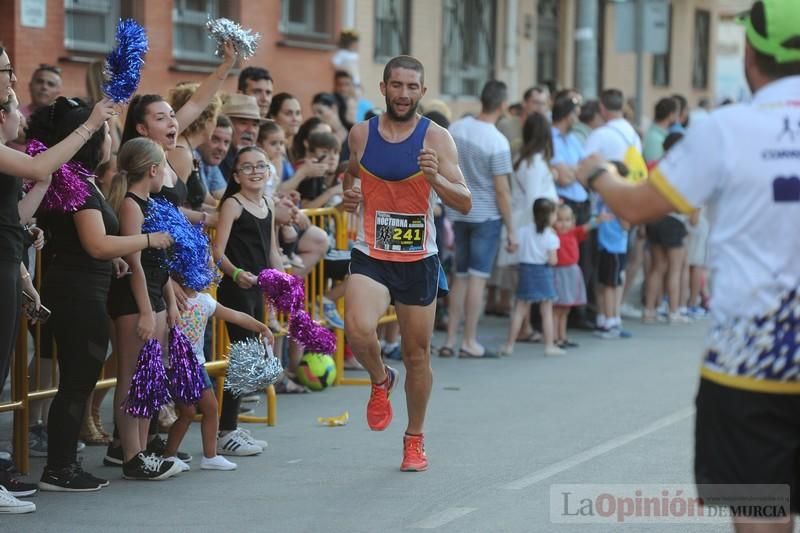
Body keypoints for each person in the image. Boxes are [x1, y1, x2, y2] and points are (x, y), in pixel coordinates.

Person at [576, 3, 800, 530]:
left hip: (752, 362)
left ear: (750, 53)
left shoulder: (726, 128)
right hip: (752, 361)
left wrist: (598, 173)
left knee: (761, 516)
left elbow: (633, 208)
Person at [28, 98, 172, 491]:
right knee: (77, 380)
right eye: (105, 132)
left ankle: (63, 465)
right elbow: (94, 243)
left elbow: (94, 244)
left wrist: (115, 260)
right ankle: (59, 468)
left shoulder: (84, 180)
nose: (110, 138)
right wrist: (145, 240)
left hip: (88, 284)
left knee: (81, 377)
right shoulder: (75, 184)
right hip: (75, 290)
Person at [0, 47, 115, 513]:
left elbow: (13, 213)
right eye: (6, 74)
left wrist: (25, 266)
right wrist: (89, 122)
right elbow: (38, 165)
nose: (13, 85)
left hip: (11, 264)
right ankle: (56, 468)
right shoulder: (27, 158)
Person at [342, 55, 471, 471]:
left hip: (417, 259)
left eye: (412, 87)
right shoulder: (361, 134)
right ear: (383, 88)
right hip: (371, 252)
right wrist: (348, 197)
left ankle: (414, 439)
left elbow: (465, 202)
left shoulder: (437, 139)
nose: (403, 94)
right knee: (358, 329)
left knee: (417, 355)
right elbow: (350, 175)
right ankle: (381, 379)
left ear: (422, 91)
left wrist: (436, 180)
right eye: (396, 85)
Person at [104, 137, 183, 481]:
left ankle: (143, 447)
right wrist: (147, 311)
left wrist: (168, 301)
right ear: (152, 170)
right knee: (131, 376)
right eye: (163, 166)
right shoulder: (131, 205)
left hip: (153, 294)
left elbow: (159, 261)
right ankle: (131, 452)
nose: (165, 172)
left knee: (149, 375)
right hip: (135, 299)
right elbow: (135, 262)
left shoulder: (152, 203)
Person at [212, 146, 286, 454]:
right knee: (242, 359)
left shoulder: (268, 202)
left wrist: (283, 284)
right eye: (247, 167)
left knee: (253, 357)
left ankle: (232, 426)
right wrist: (236, 272)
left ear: (269, 171)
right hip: (237, 288)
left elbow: (272, 252)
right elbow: (217, 252)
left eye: (261, 166)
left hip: (258, 288)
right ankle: (225, 432)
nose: (255, 171)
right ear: (236, 175)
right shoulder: (233, 204)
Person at [440, 80, 514, 360]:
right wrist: (512, 228)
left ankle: (449, 338)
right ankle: (469, 340)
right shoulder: (497, 141)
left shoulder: (457, 128)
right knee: (477, 279)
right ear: (503, 105)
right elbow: (502, 190)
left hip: (459, 210)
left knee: (459, 275)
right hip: (486, 216)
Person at [163, 285, 274, 471]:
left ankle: (210, 456)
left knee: (211, 408)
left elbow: (236, 316)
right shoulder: (171, 299)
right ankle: (170, 455)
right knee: (188, 412)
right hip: (175, 366)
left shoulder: (205, 301)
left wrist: (262, 327)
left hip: (196, 365)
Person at [498, 198, 564, 357]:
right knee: (546, 311)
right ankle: (549, 346)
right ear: (550, 215)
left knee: (519, 310)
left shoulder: (523, 231)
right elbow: (553, 260)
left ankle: (509, 345)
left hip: (526, 272)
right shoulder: (551, 237)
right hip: (543, 273)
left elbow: (512, 249)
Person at [642, 132, 689, 324]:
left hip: (653, 217)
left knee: (657, 267)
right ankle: (673, 312)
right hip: (674, 218)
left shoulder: (654, 166)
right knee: (675, 268)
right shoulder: (682, 168)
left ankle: (649, 311)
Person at [593, 161, 631, 339]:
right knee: (610, 284)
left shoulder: (608, 198)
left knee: (607, 284)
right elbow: (625, 225)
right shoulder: (611, 199)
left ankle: (606, 319)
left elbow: (625, 224)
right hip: (611, 246)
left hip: (609, 245)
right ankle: (609, 321)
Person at [552, 204, 596, 348]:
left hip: (572, 272)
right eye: (559, 220)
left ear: (573, 221)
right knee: (557, 308)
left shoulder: (573, 233)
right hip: (559, 273)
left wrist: (598, 220)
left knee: (566, 308)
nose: (564, 224)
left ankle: (563, 336)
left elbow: (586, 227)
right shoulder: (553, 236)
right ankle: (554, 337)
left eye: (567, 220)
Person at [218, 94, 267, 180]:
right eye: (243, 123)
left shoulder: (258, 158)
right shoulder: (218, 154)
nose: (250, 130)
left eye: (255, 125)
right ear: (227, 124)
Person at [195, 114, 232, 201]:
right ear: (202, 137)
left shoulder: (211, 163)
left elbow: (224, 196)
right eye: (215, 139)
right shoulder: (193, 156)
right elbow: (206, 200)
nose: (222, 148)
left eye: (226, 142)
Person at [642, 97, 678, 165]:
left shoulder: (658, 134)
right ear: (671, 115)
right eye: (675, 114)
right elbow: (654, 166)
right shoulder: (654, 138)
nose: (677, 117)